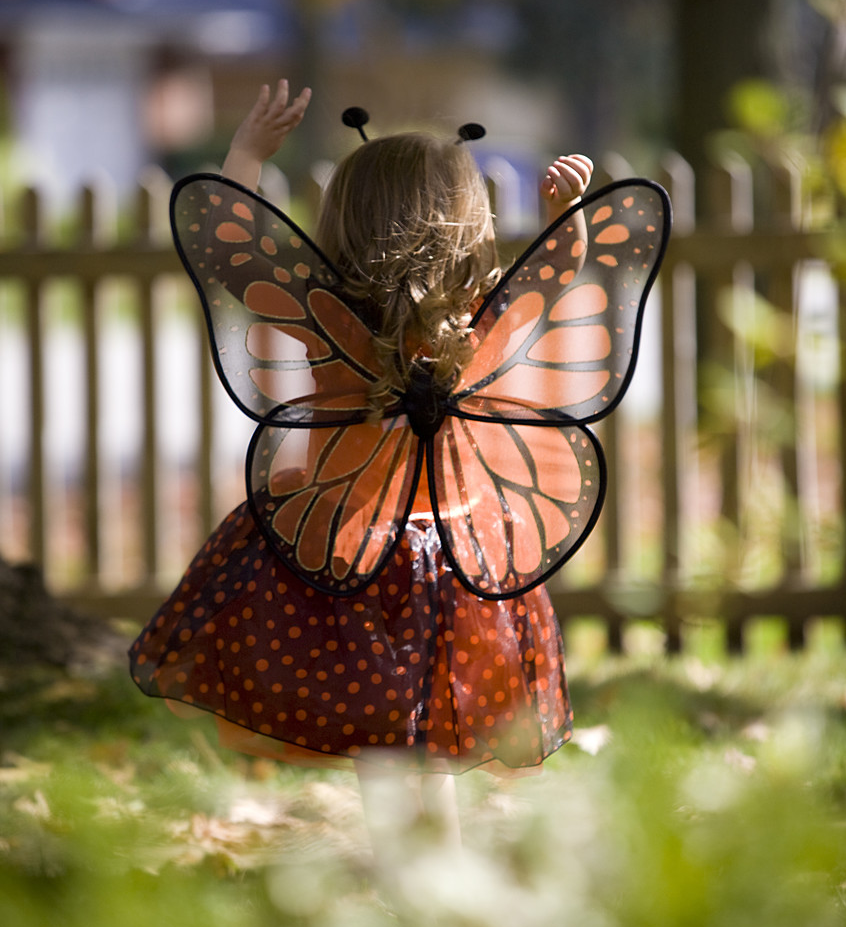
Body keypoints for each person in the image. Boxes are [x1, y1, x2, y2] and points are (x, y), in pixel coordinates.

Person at [129, 80, 594, 854]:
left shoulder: (322, 314)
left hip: (345, 549)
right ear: (464, 222)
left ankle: (414, 877)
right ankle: (431, 878)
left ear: (345, 220)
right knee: (431, 740)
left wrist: (246, 154)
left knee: (387, 742)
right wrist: (566, 220)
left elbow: (230, 248)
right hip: (452, 556)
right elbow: (550, 281)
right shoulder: (476, 318)